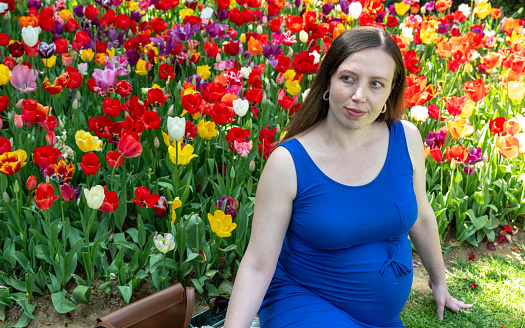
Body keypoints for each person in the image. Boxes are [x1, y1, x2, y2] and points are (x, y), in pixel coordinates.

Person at [224, 26, 473, 327]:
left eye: (376, 84)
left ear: (390, 92)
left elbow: (420, 216)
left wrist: (439, 283)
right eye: (348, 78)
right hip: (306, 301)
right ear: (327, 81)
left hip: (382, 319)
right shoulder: (288, 163)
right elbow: (257, 266)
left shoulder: (406, 139)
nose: (359, 96)